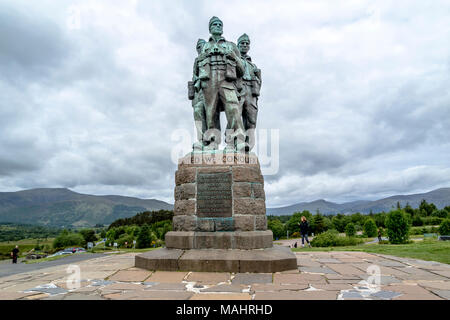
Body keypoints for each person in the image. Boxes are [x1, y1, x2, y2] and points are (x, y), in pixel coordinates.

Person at [198, 16, 246, 151]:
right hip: (209, 82)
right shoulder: (205, 47)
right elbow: (197, 68)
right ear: (210, 28)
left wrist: (234, 57)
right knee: (210, 112)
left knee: (233, 108)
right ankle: (212, 141)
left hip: (227, 81)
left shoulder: (231, 46)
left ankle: (238, 140)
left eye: (220, 24)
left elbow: (241, 70)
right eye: (214, 24)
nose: (218, 26)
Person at [236, 33, 261, 151]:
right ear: (238, 45)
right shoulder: (234, 60)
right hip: (239, 90)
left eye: (247, 44)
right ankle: (235, 143)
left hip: (251, 92)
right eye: (242, 43)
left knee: (251, 119)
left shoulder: (253, 65)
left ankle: (248, 146)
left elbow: (259, 83)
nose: (245, 45)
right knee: (235, 117)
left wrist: (258, 77)